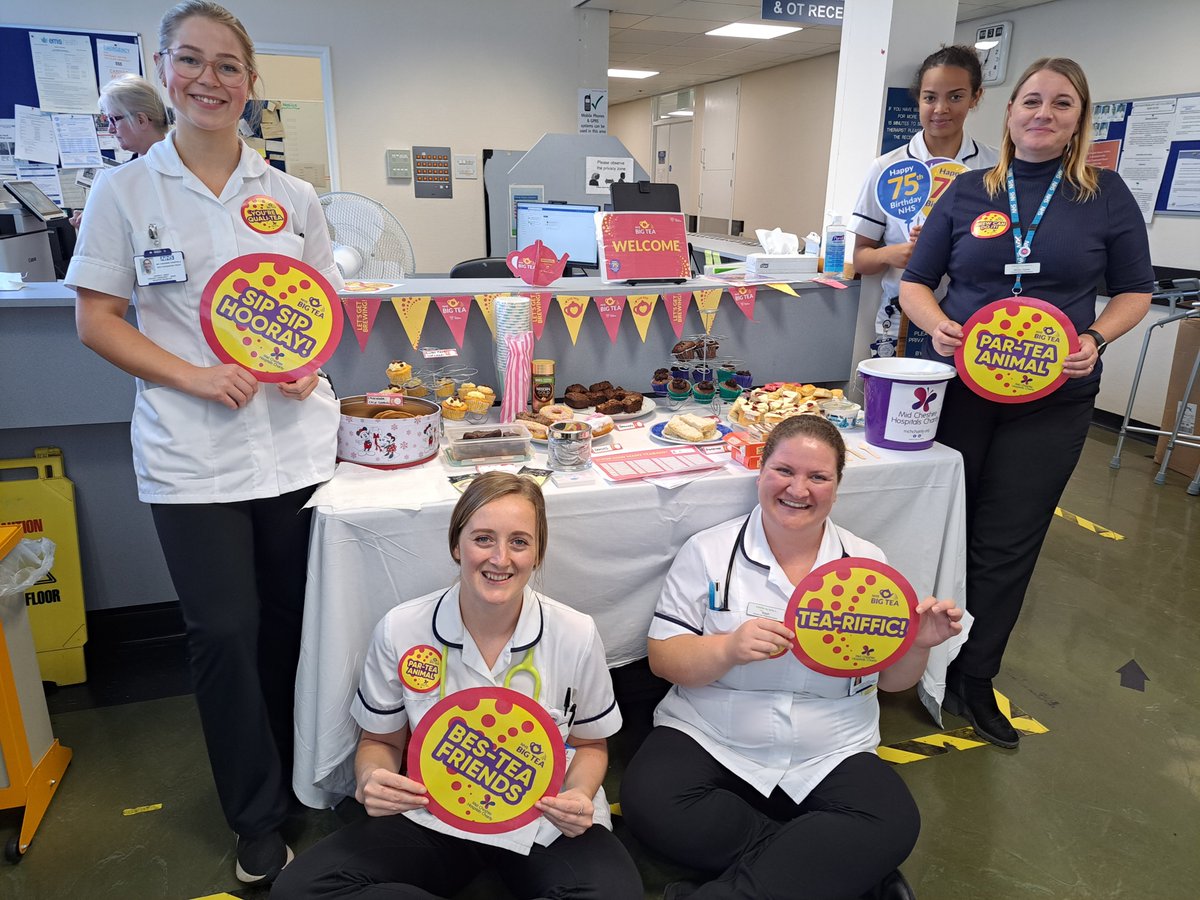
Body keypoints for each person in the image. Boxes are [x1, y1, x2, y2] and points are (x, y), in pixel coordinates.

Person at [65, 1, 342, 884]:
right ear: (164, 69)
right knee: (223, 632)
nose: (210, 79)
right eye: (192, 61)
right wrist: (191, 375)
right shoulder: (126, 191)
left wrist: (309, 362)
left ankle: (303, 777)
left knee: (295, 627)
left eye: (229, 65)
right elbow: (97, 320)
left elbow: (322, 311)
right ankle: (256, 814)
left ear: (251, 85)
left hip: (296, 447)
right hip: (193, 455)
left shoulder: (292, 197)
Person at [899, 58, 1153, 748]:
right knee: (946, 523)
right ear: (1008, 112)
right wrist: (935, 323)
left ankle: (974, 679)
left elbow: (1136, 290)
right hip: (960, 391)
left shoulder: (1105, 194)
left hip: (1053, 399)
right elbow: (916, 282)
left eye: (1061, 104)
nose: (1044, 113)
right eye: (1032, 101)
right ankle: (917, 658)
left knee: (1009, 541)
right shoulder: (968, 191)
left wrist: (1096, 336)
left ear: (1079, 118)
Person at [621, 415, 964, 900]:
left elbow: (892, 683)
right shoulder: (709, 551)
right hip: (713, 730)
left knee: (894, 822)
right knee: (650, 802)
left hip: (829, 741)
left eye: (818, 477)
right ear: (761, 471)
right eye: (783, 470)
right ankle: (829, 869)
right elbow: (664, 659)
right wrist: (727, 648)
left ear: (838, 487)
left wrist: (918, 644)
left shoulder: (867, 566)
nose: (797, 489)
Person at [273, 472, 642, 900]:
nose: (500, 559)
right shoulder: (402, 629)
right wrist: (371, 775)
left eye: (519, 542)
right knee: (300, 889)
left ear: (538, 553)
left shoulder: (575, 633)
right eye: (483, 538)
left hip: (545, 819)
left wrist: (579, 793)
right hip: (435, 814)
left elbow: (591, 745)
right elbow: (381, 740)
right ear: (456, 544)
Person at [849, 45, 999, 358]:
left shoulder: (994, 168)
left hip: (971, 317)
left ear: (976, 97)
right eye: (930, 97)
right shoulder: (887, 168)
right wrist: (896, 254)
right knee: (898, 404)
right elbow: (861, 258)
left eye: (955, 97)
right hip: (900, 316)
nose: (941, 108)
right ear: (918, 99)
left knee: (957, 405)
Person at [70, 74, 172, 229]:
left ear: (141, 120)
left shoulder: (181, 169)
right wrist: (98, 219)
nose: (111, 129)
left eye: (113, 119)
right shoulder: (121, 176)